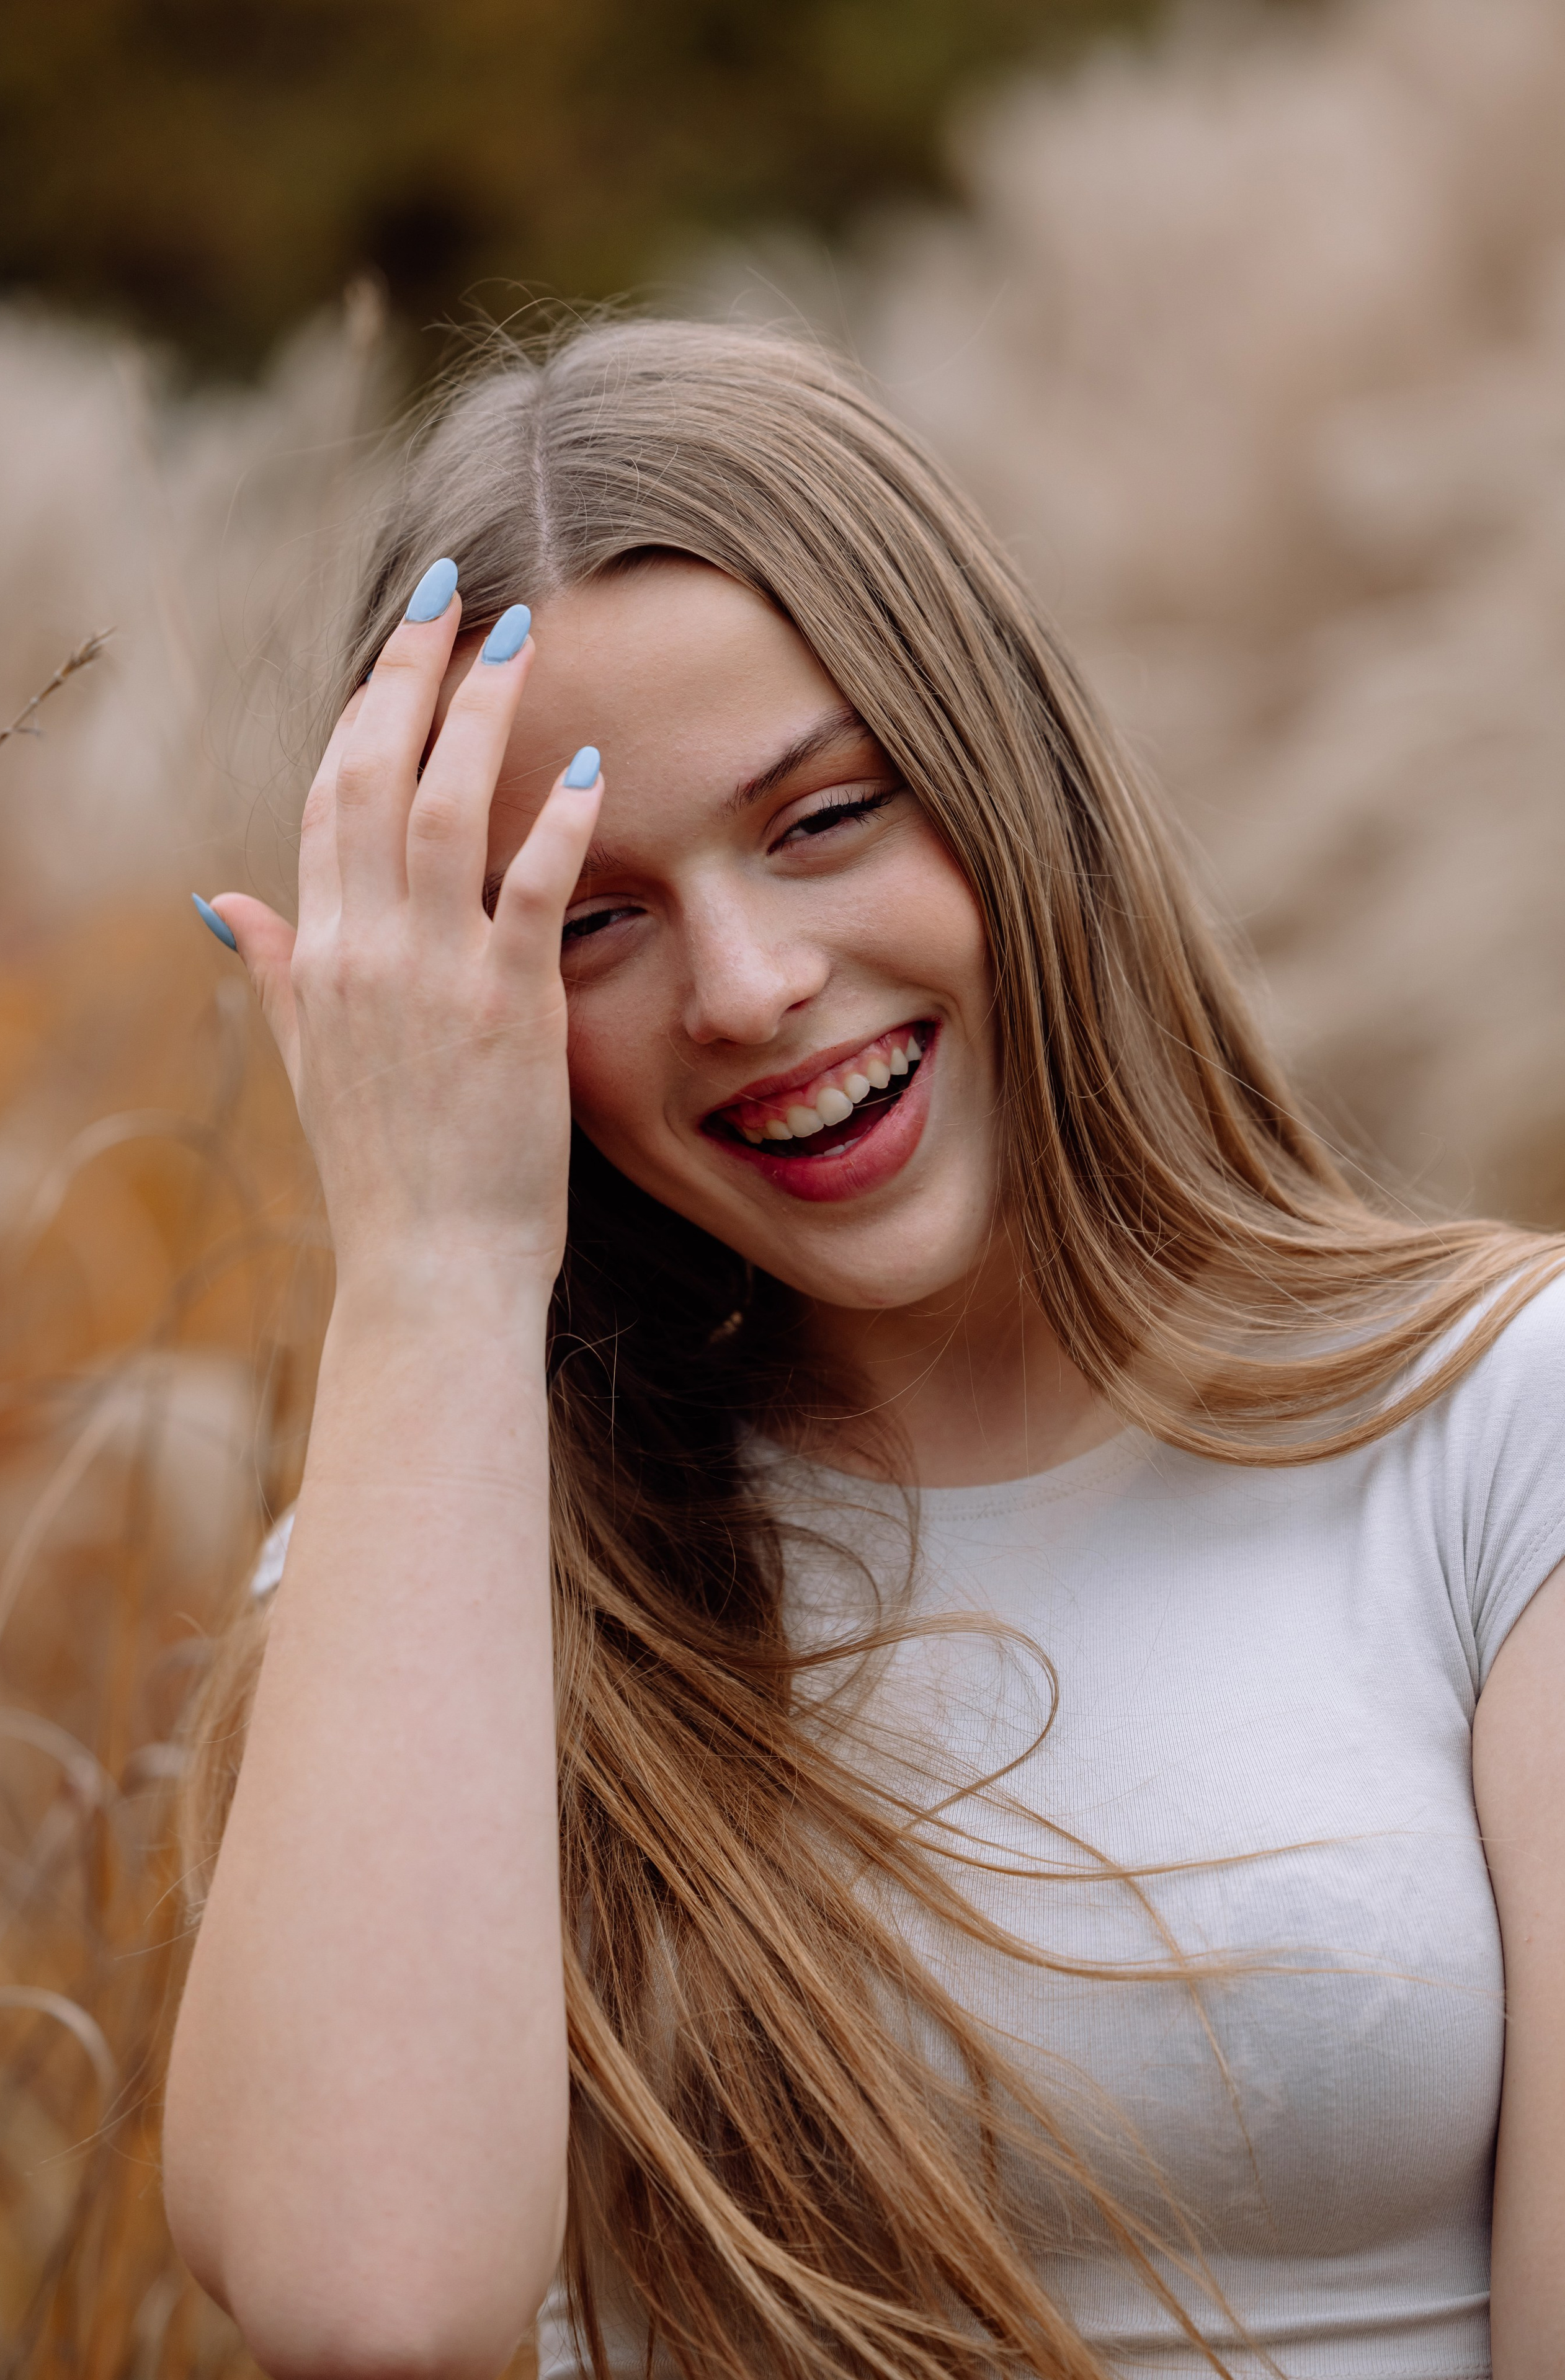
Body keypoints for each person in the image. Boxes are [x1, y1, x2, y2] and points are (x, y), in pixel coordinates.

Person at [163, 321, 1565, 2380]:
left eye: (823, 820)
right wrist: (436, 1269)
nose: (748, 985)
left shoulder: (1500, 1421)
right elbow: (371, 2310)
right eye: (587, 921)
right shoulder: (433, 1547)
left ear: (1012, 786)